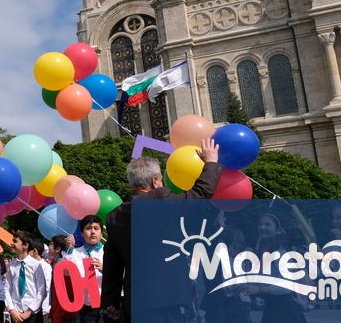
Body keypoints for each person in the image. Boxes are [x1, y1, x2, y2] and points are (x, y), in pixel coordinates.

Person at [101, 137, 222, 322]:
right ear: (156, 180)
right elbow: (200, 194)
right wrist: (211, 162)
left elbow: (112, 264)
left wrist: (110, 301)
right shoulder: (159, 198)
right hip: (169, 301)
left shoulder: (115, 217)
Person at [62, 218, 103, 323]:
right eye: (88, 228)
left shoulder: (109, 252)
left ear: (101, 233)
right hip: (85, 307)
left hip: (106, 306)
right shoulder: (75, 253)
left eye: (96, 228)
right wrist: (69, 250)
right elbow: (65, 272)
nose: (93, 232)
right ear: (82, 233)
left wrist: (105, 269)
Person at [5, 231, 50, 323]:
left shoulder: (36, 265)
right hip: (16, 313)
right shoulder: (11, 265)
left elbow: (41, 290)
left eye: (15, 241)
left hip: (33, 313)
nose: (12, 243)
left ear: (25, 245)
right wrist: (11, 309)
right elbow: (7, 288)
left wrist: (29, 311)